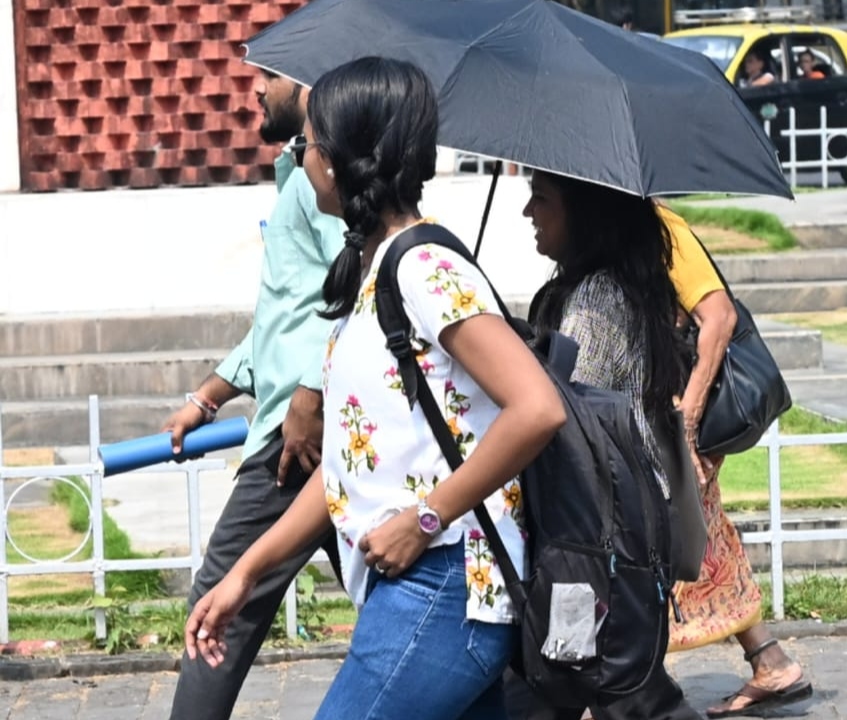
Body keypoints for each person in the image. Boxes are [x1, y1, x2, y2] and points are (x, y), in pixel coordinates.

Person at [184, 56, 566, 720]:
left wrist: (426, 519)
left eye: (310, 145)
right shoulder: (377, 270)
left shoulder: (424, 268)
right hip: (413, 588)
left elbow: (537, 408)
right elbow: (341, 469)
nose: (302, 157)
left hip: (446, 587)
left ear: (334, 161)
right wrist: (246, 572)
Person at [164, 69, 346, 720]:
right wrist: (210, 394)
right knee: (386, 589)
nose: (255, 90)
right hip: (300, 416)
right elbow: (286, 314)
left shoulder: (323, 179)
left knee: (221, 604)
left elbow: (348, 285)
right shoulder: (295, 171)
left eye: (267, 76)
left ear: (304, 85)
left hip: (297, 432)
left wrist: (309, 395)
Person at [519, 170, 700, 720]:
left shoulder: (596, 301)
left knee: (602, 690)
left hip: (603, 540)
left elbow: (566, 418)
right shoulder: (596, 288)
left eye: (542, 198)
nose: (529, 212)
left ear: (585, 216)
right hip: (619, 534)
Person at [657, 203, 814, 719]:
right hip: (665, 408)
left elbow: (718, 316)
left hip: (682, 415)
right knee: (704, 534)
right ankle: (770, 660)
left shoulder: (664, 228)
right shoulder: (623, 227)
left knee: (663, 537)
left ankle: (629, 682)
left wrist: (690, 418)